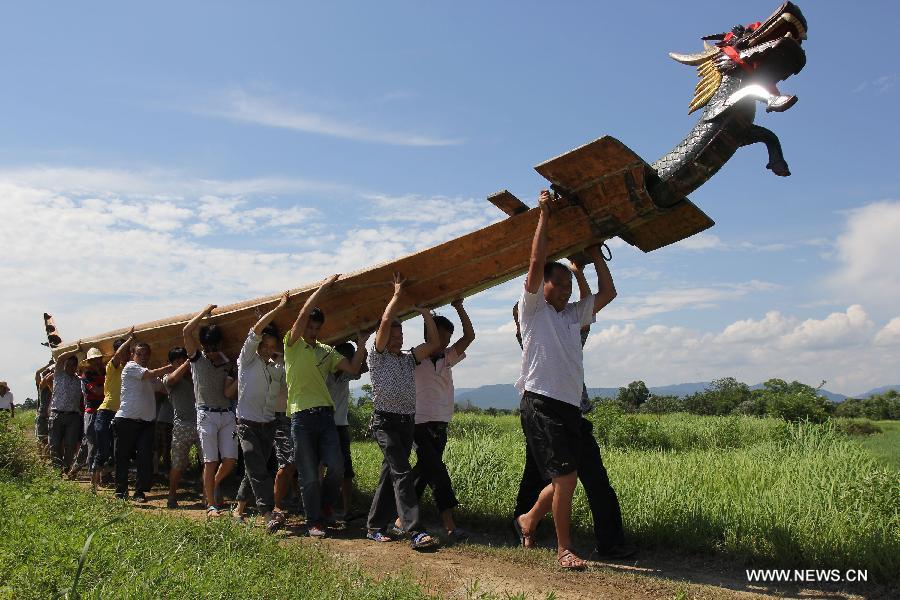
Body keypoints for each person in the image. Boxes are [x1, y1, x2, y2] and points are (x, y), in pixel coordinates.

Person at [513, 191, 617, 571]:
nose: (567, 290)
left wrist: (588, 259)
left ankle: (528, 519)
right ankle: (564, 549)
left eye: (569, 285)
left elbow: (609, 292)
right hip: (540, 402)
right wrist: (544, 213)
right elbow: (537, 259)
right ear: (544, 286)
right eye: (560, 283)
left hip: (568, 406)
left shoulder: (572, 317)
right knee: (567, 477)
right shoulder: (533, 310)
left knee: (563, 480)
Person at [283, 276, 368, 538]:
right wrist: (322, 288)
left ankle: (326, 505)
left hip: (325, 416)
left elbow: (353, 369)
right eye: (309, 327)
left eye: (316, 328)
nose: (312, 331)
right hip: (300, 417)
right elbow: (303, 312)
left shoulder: (325, 352)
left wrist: (362, 343)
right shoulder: (292, 344)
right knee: (309, 475)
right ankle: (314, 521)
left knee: (337, 467)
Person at [365, 273, 441, 551]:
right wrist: (397, 295)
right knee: (402, 472)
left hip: (406, 423)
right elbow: (385, 321)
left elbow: (434, 344)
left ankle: (374, 526)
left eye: (400, 336)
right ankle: (414, 530)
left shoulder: (408, 359)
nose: (397, 340)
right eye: (393, 336)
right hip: (384, 423)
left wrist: (425, 314)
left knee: (391, 474)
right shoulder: (377, 356)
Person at [408, 298, 475, 543]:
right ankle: (449, 525)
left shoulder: (447, 358)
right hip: (419, 424)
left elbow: (469, 336)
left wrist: (459, 306)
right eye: (441, 339)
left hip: (440, 424)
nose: (445, 344)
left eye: (447, 340)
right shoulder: (414, 358)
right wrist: (426, 314)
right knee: (438, 473)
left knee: (424, 473)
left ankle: (400, 517)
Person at [232, 291, 291, 532]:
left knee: (254, 469)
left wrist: (280, 355)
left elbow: (287, 363)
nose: (267, 350)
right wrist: (279, 308)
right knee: (258, 468)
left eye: (271, 347)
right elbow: (255, 331)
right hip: (247, 424)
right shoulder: (246, 359)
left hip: (268, 424)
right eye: (264, 346)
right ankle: (268, 513)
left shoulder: (276, 366)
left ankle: (238, 509)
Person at [184, 304, 237, 516]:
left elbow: (228, 394)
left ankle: (211, 488)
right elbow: (187, 331)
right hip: (206, 414)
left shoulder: (227, 363)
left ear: (220, 344)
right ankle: (212, 505)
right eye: (208, 348)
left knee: (230, 461)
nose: (211, 352)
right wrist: (204, 313)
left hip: (226, 414)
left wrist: (238, 376)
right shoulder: (196, 359)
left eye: (214, 347)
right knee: (210, 461)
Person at [114, 342, 173, 502]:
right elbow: (150, 375)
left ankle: (139, 492)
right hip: (126, 419)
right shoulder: (130, 367)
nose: (143, 357)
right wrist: (170, 367)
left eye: (146, 354)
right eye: (139, 354)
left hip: (146, 422)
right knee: (123, 457)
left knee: (145, 457)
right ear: (133, 355)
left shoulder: (151, 377)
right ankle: (121, 491)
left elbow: (165, 388)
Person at [325, 341, 366, 519]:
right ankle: (321, 506)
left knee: (346, 470)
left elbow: (362, 368)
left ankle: (347, 509)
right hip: (324, 425)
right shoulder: (324, 374)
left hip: (341, 425)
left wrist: (360, 346)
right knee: (321, 467)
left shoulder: (348, 375)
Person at [91, 334, 133, 493]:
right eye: (123, 351)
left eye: (128, 351)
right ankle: (93, 485)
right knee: (103, 450)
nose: (125, 354)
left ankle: (116, 485)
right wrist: (129, 339)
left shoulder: (130, 369)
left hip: (121, 414)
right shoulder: (112, 366)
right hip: (106, 411)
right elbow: (117, 356)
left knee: (118, 452)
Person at [163, 347, 201, 508]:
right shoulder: (168, 378)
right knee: (178, 464)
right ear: (171, 364)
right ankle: (172, 495)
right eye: (177, 362)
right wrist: (189, 360)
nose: (181, 364)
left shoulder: (196, 377)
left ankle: (209, 496)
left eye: (182, 360)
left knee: (208, 462)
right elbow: (172, 378)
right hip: (182, 426)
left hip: (201, 424)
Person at [45, 342, 85, 475]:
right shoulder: (58, 375)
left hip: (73, 416)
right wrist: (76, 350)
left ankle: (66, 466)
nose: (71, 366)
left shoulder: (78, 380)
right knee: (54, 444)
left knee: (70, 444)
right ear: (65, 365)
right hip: (56, 414)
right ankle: (57, 469)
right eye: (69, 364)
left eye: (74, 364)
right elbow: (61, 357)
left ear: (76, 366)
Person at [68, 348, 105, 480]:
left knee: (86, 443)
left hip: (102, 411)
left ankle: (74, 469)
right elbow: (97, 391)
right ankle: (92, 474)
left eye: (98, 359)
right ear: (89, 362)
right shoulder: (86, 376)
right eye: (94, 360)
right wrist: (112, 385)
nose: (97, 362)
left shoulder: (103, 372)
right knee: (92, 443)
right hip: (91, 413)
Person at [35, 361, 54, 449]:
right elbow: (38, 373)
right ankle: (41, 459)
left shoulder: (54, 386)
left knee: (50, 440)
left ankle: (45, 458)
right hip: (43, 416)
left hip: (50, 416)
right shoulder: (41, 386)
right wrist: (49, 366)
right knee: (42, 439)